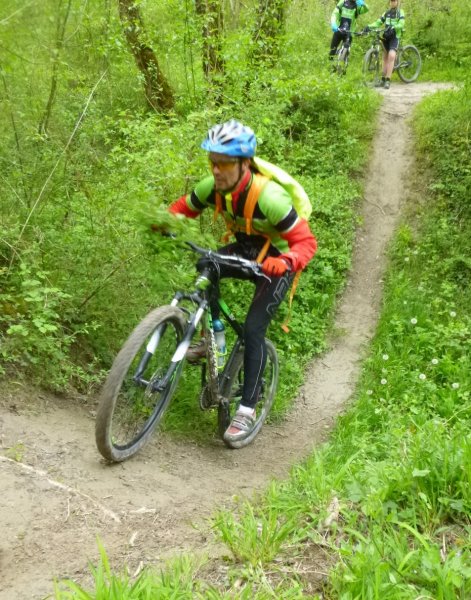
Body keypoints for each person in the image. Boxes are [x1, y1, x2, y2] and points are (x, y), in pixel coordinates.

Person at [167, 120, 317, 444]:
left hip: (276, 261)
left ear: (243, 163)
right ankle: (216, 341)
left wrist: (286, 261)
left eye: (223, 163)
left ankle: (247, 409)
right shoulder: (213, 187)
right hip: (245, 249)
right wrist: (163, 223)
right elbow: (183, 208)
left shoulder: (270, 197)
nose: (216, 170)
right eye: (212, 162)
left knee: (252, 330)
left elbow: (306, 243)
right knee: (208, 263)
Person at [365, 0, 405, 89]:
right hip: (386, 36)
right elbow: (378, 22)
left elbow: (401, 23)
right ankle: (383, 79)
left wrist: (394, 27)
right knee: (384, 57)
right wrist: (369, 26)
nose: (392, 3)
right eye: (391, 1)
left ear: (397, 2)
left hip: (395, 37)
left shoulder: (400, 12)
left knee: (391, 56)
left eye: (394, 1)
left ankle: (388, 80)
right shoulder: (386, 13)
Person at [329, 0, 369, 66]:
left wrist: (363, 4)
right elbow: (335, 13)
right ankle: (330, 66)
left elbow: (366, 9)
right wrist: (333, 24)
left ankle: (343, 66)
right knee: (332, 50)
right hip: (339, 30)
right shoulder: (343, 2)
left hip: (349, 32)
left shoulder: (357, 5)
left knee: (346, 50)